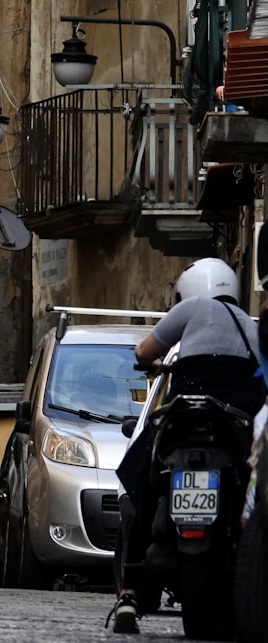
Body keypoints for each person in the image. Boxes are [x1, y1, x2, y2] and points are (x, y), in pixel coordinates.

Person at [113, 257, 265, 633]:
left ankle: (130, 590)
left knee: (138, 474)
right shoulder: (251, 323)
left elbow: (143, 352)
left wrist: (156, 363)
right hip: (237, 414)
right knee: (251, 479)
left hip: (188, 405)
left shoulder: (192, 308)